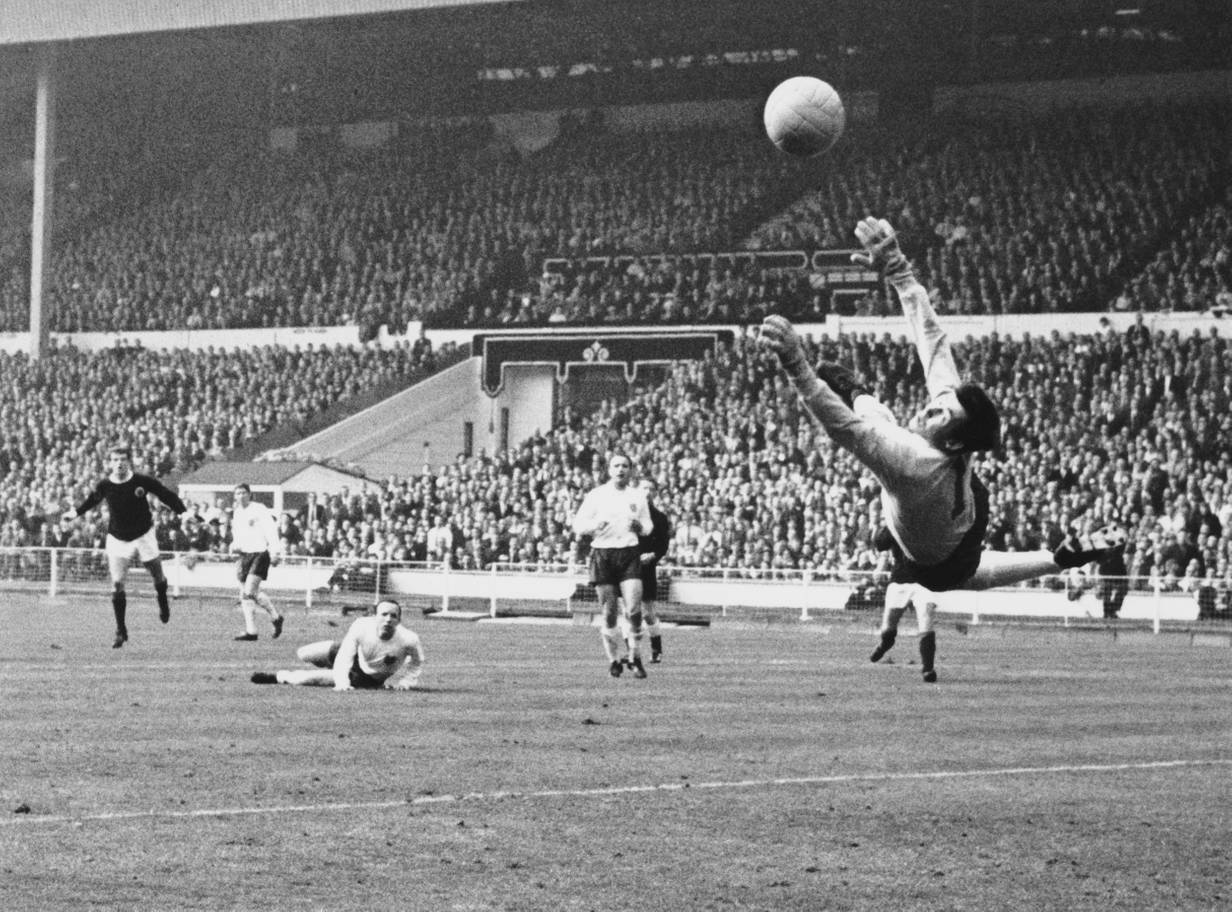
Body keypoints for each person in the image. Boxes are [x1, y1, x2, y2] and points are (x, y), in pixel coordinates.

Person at [759, 217, 1126, 681]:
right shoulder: (952, 435)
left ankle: (855, 388)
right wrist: (897, 268)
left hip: (937, 555)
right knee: (893, 433)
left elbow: (845, 428)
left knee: (882, 428)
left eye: (939, 413)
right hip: (962, 510)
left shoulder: (912, 463)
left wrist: (799, 367)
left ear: (953, 438)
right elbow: (931, 343)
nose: (931, 408)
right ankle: (1059, 556)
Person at [66, 445, 187, 648]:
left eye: (122, 459)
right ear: (110, 462)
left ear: (129, 461)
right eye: (115, 459)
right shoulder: (105, 485)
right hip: (118, 537)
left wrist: (182, 511)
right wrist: (75, 513)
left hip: (143, 534)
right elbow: (91, 501)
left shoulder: (141, 481)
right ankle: (121, 630)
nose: (119, 463)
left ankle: (162, 600)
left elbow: (164, 493)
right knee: (117, 583)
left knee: (157, 574)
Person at [571, 451, 653, 678]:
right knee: (609, 612)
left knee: (634, 610)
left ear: (630, 470)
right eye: (616, 466)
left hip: (629, 552)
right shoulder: (597, 495)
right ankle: (614, 660)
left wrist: (641, 527)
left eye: (625, 466)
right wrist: (595, 525)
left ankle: (635, 657)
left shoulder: (637, 496)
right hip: (603, 554)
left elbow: (648, 525)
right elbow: (578, 524)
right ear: (609, 470)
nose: (620, 470)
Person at [250, 598, 423, 690]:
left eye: (393, 616)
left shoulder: (409, 639)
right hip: (352, 654)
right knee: (303, 653)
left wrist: (405, 683)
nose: (388, 619)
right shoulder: (361, 625)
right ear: (375, 616)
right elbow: (346, 653)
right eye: (384, 614)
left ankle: (278, 677)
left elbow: (417, 662)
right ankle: (331, 668)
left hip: (365, 676)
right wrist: (341, 681)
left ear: (399, 620)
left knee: (308, 679)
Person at [229, 483, 286, 641]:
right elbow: (237, 535)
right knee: (249, 593)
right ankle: (276, 617)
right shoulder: (237, 513)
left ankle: (251, 631)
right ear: (235, 496)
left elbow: (271, 529)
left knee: (248, 593)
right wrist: (234, 547)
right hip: (244, 555)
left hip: (260, 553)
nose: (241, 496)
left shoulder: (259, 509)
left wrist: (275, 551)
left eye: (243, 492)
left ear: (249, 494)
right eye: (238, 493)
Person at [869, 582, 941, 682]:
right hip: (901, 581)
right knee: (888, 628)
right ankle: (885, 644)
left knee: (926, 625)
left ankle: (928, 670)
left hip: (925, 583)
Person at [633, 477, 672, 663]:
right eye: (643, 487)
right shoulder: (629, 515)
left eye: (650, 488)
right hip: (627, 566)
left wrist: (652, 556)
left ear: (655, 493)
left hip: (646, 569)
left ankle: (657, 649)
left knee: (648, 613)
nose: (647, 491)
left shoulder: (659, 518)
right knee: (629, 611)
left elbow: (663, 546)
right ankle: (631, 652)